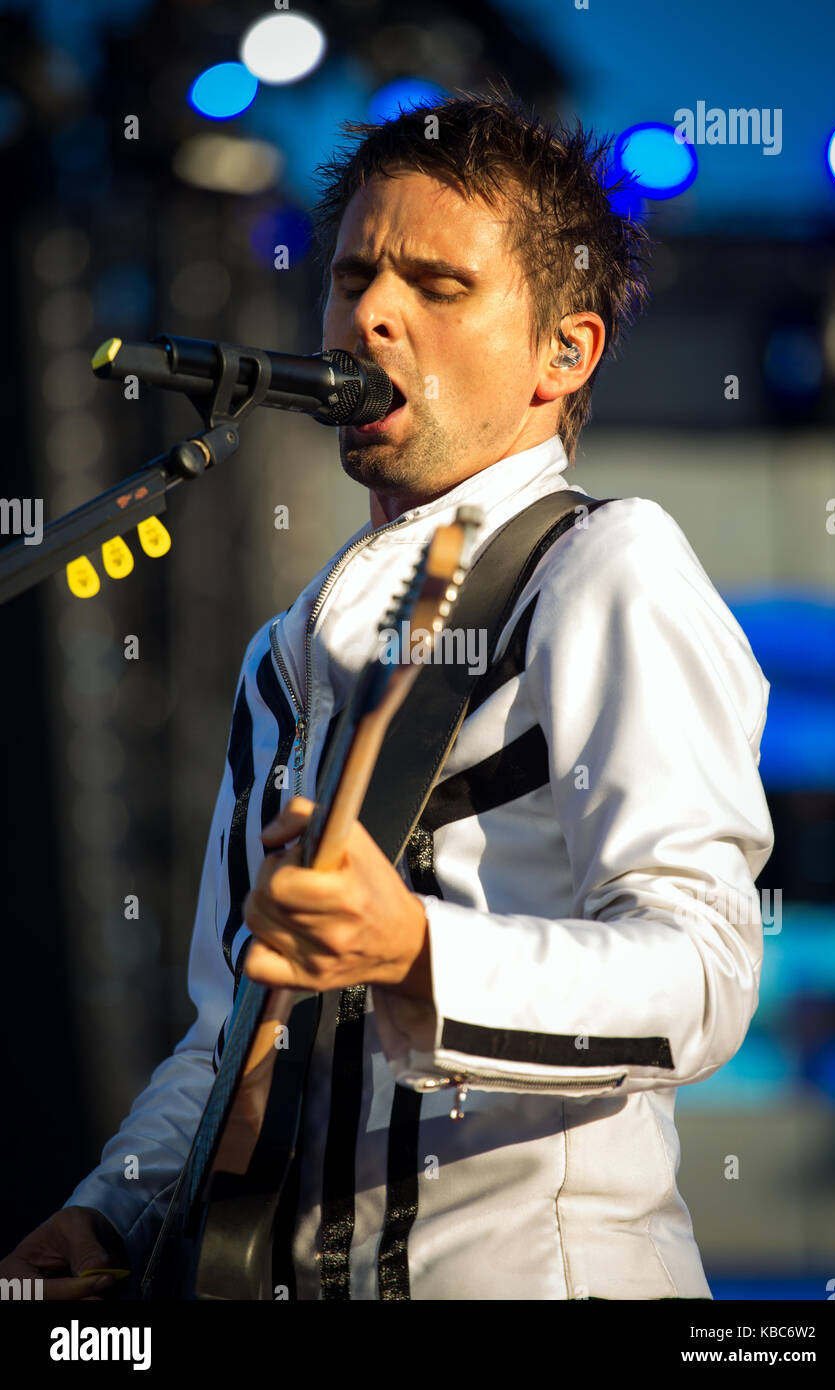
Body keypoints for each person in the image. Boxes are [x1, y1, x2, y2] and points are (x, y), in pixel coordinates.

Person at [1, 88, 773, 1301]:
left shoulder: (603, 567)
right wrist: (115, 1209)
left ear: (561, 352)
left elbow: (708, 966)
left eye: (437, 285)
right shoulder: (284, 652)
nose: (368, 313)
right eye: (354, 274)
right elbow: (230, 1032)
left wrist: (416, 950)